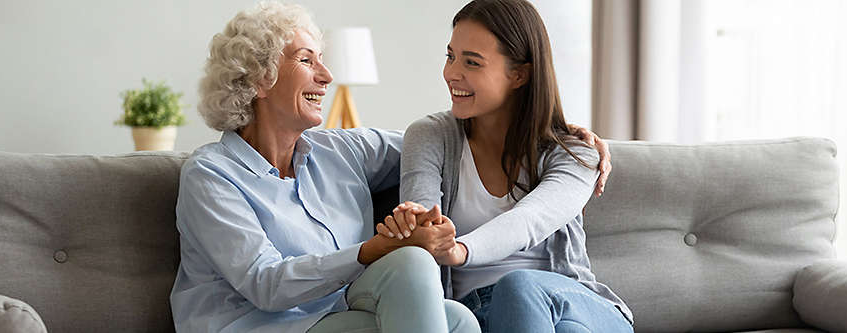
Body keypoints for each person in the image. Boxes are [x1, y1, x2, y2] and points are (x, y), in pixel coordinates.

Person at [169, 2, 611, 333]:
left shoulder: (342, 152)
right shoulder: (211, 175)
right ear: (259, 77)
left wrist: (551, 130)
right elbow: (265, 284)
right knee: (417, 269)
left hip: (341, 313)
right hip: (260, 325)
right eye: (306, 60)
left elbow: (457, 146)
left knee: (459, 320)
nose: (326, 75)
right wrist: (370, 251)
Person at [379, 0, 635, 332]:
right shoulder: (430, 136)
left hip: (575, 305)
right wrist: (419, 227)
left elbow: (530, 220)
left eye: (472, 62)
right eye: (450, 56)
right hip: (478, 314)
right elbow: (422, 221)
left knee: (520, 287)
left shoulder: (576, 153)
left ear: (519, 74)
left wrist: (460, 249)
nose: (451, 73)